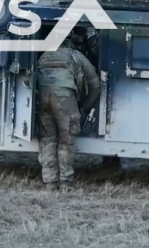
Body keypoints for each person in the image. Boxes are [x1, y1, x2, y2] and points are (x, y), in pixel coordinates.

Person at [37, 31, 100, 190]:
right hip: (65, 98)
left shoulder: (44, 55)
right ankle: (65, 182)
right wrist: (85, 107)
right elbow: (95, 84)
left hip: (42, 97)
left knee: (48, 138)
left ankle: (50, 182)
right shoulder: (75, 55)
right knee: (67, 140)